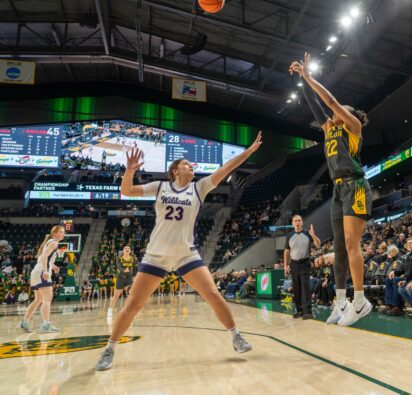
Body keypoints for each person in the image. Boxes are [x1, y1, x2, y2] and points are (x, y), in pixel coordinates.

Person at [95, 133, 262, 371]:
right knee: (133, 303)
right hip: (156, 255)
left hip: (186, 254)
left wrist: (249, 151)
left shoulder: (199, 188)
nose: (191, 167)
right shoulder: (160, 186)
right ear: (175, 171)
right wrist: (130, 169)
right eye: (187, 164)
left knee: (213, 294)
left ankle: (236, 336)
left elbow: (227, 168)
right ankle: (109, 349)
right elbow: (127, 191)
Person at [290, 52, 373, 327]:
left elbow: (330, 101)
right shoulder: (328, 129)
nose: (335, 114)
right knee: (338, 248)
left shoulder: (353, 127)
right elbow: (317, 106)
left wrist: (311, 76)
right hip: (337, 190)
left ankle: (360, 301)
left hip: (356, 186)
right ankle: (340, 302)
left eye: (341, 111)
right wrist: (303, 80)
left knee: (351, 244)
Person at [17, 225, 65, 333]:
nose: (63, 234)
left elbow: (44, 258)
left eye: (63, 232)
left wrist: (53, 266)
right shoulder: (54, 243)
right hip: (41, 273)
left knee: (38, 299)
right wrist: (45, 271)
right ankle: (46, 324)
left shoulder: (49, 243)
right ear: (54, 233)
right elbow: (44, 257)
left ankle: (24, 322)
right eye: (61, 232)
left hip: (36, 272)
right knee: (47, 298)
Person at [283, 215, 320, 319]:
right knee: (296, 288)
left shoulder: (308, 233)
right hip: (293, 264)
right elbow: (286, 251)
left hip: (305, 263)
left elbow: (318, 244)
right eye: (295, 221)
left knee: (305, 287)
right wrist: (286, 265)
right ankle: (299, 310)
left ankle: (307, 312)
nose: (298, 222)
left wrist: (313, 235)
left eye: (299, 220)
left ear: (302, 222)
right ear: (292, 223)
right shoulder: (289, 235)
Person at [107, 246, 136, 318]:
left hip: (129, 278)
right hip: (120, 278)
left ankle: (128, 311)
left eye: (128, 248)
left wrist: (134, 276)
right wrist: (123, 270)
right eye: (125, 248)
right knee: (115, 296)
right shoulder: (119, 259)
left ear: (130, 251)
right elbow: (119, 267)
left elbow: (135, 268)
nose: (127, 249)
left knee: (130, 293)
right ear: (123, 251)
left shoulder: (133, 259)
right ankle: (110, 309)